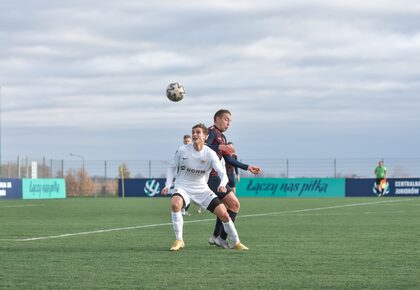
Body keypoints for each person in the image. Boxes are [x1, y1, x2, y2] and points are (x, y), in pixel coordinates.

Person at [161, 123, 248, 251]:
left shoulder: (210, 153)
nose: (195, 135)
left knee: (223, 213)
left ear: (205, 136)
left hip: (202, 189)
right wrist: (168, 185)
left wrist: (222, 185)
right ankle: (179, 240)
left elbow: (222, 173)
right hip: (183, 187)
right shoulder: (182, 150)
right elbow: (172, 167)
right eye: (193, 132)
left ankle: (236, 242)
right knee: (175, 204)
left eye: (198, 132)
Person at [206, 109, 261, 249]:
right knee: (234, 205)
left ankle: (218, 237)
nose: (229, 123)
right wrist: (220, 146)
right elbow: (202, 148)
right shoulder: (211, 131)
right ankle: (221, 238)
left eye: (230, 120)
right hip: (209, 177)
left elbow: (228, 159)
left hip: (216, 177)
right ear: (217, 119)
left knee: (225, 208)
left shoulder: (222, 137)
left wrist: (247, 167)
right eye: (226, 119)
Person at [181, 134, 192, 215]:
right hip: (182, 177)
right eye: (185, 141)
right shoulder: (180, 151)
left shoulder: (196, 151)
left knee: (190, 196)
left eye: (188, 141)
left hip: (193, 177)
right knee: (182, 194)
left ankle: (184, 209)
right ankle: (182, 209)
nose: (187, 143)